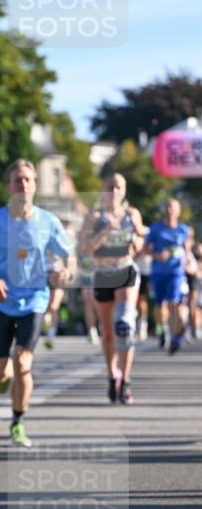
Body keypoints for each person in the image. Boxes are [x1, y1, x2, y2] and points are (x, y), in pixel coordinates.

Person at [0, 159, 72, 448]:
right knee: (1, 372)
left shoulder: (48, 222)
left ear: (35, 185)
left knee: (23, 363)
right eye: (17, 180)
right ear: (7, 186)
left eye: (27, 179)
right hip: (0, 301)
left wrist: (65, 272)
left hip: (35, 300)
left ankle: (17, 421)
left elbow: (69, 257)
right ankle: (1, 380)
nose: (22, 185)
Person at [78, 173, 145, 404]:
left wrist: (138, 242)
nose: (114, 191)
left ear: (124, 190)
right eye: (110, 186)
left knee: (124, 324)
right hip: (103, 274)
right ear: (103, 189)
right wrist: (106, 231)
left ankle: (125, 380)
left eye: (118, 186)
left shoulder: (131, 214)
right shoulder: (94, 217)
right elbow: (85, 248)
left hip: (125, 269)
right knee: (107, 333)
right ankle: (111, 375)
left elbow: (141, 237)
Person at [145, 198, 192, 355]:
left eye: (172, 207)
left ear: (178, 211)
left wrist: (186, 257)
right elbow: (146, 249)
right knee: (159, 305)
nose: (169, 210)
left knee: (173, 303)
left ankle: (174, 337)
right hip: (158, 272)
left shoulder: (183, 229)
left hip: (176, 272)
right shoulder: (156, 229)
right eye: (167, 207)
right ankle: (162, 329)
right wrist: (157, 255)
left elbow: (186, 250)